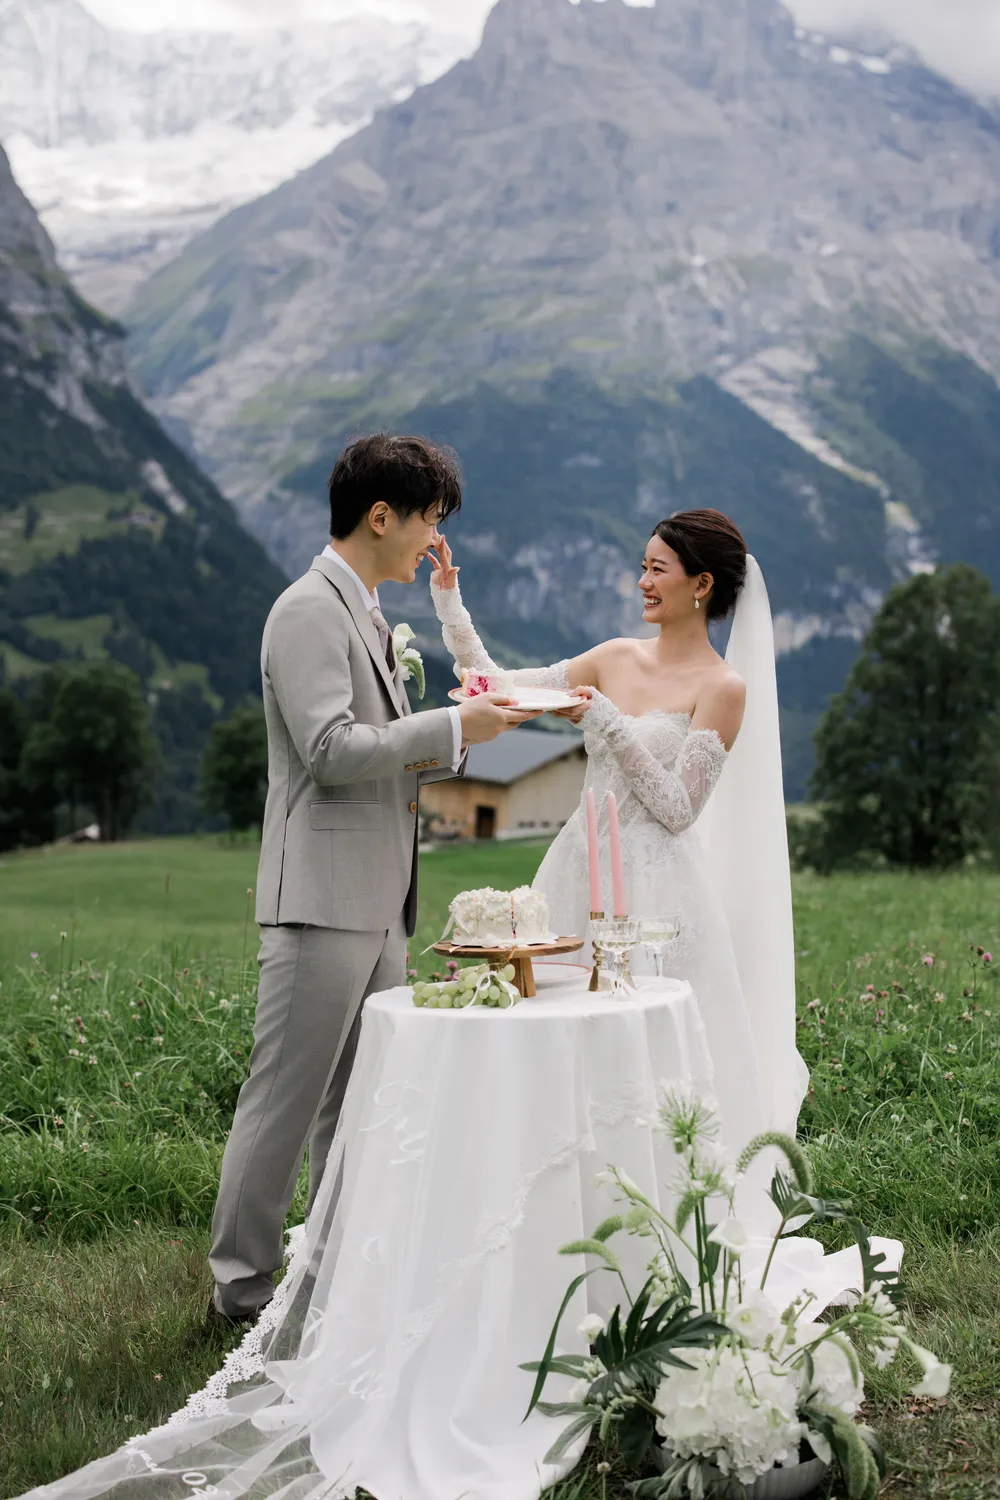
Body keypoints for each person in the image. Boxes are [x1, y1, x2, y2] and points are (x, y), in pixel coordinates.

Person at [207, 432, 538, 1326]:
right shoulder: (306, 611)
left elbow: (382, 753)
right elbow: (329, 751)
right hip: (321, 899)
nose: (435, 536)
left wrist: (462, 731)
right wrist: (453, 730)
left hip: (380, 900)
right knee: (284, 1104)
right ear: (380, 516)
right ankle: (240, 1291)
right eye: (429, 517)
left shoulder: (366, 614)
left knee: (358, 1104)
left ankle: (334, 1271)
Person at [429, 509, 809, 1146]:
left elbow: (679, 809)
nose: (643, 582)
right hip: (578, 872)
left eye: (658, 569)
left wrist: (606, 723)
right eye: (643, 567)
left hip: (660, 898)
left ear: (702, 584)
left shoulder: (723, 687)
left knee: (652, 1060)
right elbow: (501, 689)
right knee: (558, 1037)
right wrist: (450, 603)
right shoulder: (612, 657)